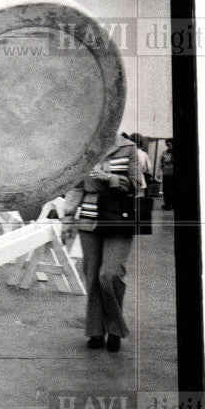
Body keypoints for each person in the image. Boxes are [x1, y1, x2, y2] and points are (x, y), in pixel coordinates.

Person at [63, 135, 142, 353]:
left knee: (110, 275)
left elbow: (136, 184)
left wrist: (109, 178)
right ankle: (96, 330)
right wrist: (68, 219)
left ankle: (115, 329)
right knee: (92, 276)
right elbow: (76, 186)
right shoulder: (85, 145)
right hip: (89, 219)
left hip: (119, 218)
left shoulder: (128, 148)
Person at [160, 139, 174, 210]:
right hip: (166, 173)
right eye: (167, 145)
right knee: (166, 189)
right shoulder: (164, 152)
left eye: (169, 145)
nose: (168, 146)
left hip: (173, 174)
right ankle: (167, 205)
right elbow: (161, 162)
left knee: (173, 190)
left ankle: (173, 204)